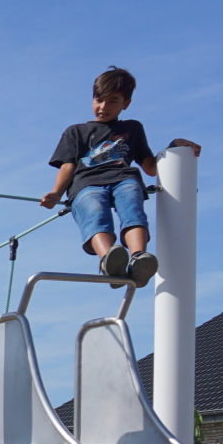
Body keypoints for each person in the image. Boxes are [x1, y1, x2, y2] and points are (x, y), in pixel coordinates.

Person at [41, 65, 201, 288]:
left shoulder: (132, 128)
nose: (103, 107)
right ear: (92, 99)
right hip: (87, 184)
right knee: (95, 211)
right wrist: (56, 192)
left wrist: (173, 147)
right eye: (99, 100)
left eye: (113, 101)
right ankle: (109, 259)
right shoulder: (76, 131)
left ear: (126, 104)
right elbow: (67, 166)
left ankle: (138, 258)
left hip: (124, 178)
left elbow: (150, 167)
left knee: (132, 204)